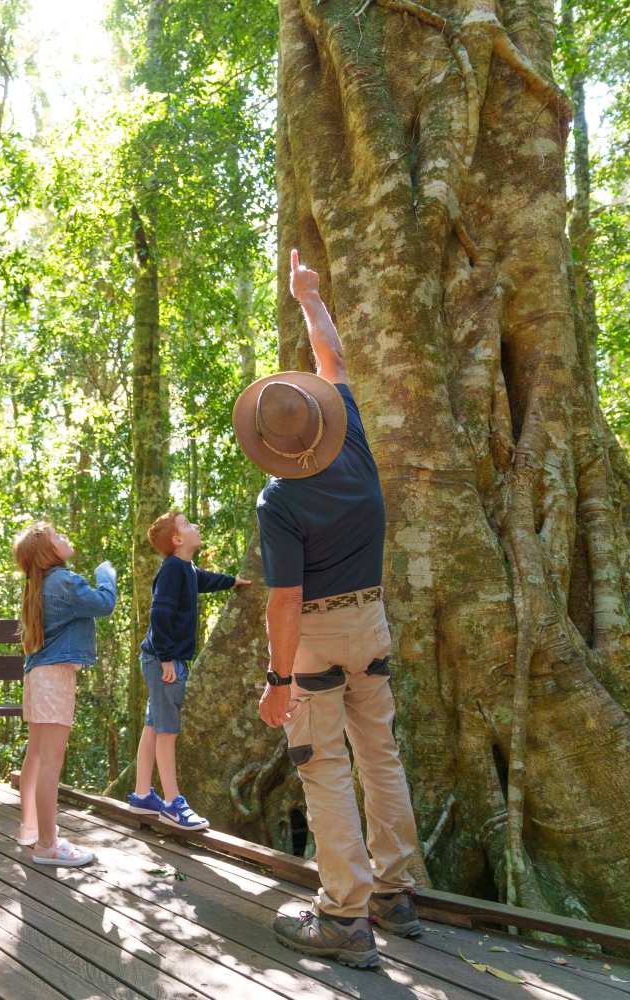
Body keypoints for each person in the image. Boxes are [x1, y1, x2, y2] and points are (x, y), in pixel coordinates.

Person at [238, 249, 424, 968]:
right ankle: (395, 892)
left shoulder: (278, 500)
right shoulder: (352, 441)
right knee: (381, 752)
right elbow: (334, 356)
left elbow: (284, 600)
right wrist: (308, 297)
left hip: (313, 635)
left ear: (267, 445)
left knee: (322, 764)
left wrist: (278, 681)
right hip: (370, 620)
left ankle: (344, 916)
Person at [127, 511, 250, 830]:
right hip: (164, 661)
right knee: (167, 732)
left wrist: (233, 581)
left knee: (154, 726)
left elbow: (204, 579)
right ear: (178, 540)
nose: (194, 525)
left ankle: (142, 794)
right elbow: (159, 615)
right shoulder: (171, 570)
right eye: (186, 524)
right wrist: (167, 658)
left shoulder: (185, 569)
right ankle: (173, 803)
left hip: (158, 659)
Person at [12, 522, 117, 867]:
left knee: (36, 757)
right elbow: (103, 604)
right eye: (59, 536)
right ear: (47, 551)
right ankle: (47, 844)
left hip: (37, 675)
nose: (65, 537)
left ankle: (32, 830)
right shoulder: (64, 582)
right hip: (53, 678)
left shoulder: (40, 584)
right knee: (50, 761)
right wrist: (107, 575)